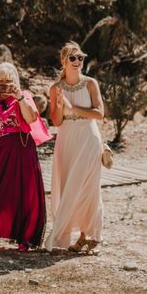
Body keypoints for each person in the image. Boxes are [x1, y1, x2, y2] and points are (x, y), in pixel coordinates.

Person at [0, 62, 50, 251]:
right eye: (0, 81)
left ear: (15, 81)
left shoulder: (23, 96)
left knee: (23, 192)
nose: (4, 85)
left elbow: (31, 118)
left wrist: (19, 98)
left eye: (8, 81)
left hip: (22, 149)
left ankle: (24, 237)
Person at [46, 42, 104, 253]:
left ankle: (87, 235)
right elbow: (57, 122)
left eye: (80, 57)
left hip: (89, 137)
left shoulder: (90, 84)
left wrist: (73, 108)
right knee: (68, 184)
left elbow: (99, 113)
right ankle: (70, 234)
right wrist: (61, 107)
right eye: (73, 58)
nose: (78, 61)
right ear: (63, 61)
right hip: (67, 139)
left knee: (87, 186)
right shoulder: (55, 89)